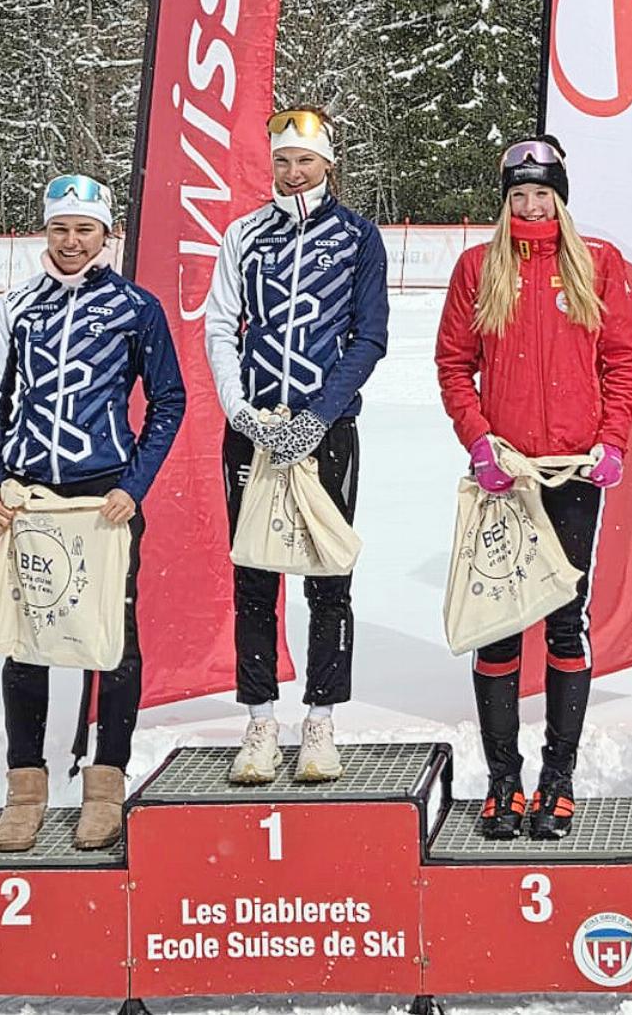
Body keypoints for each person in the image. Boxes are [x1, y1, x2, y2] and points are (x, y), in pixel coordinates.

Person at [435, 135, 632, 840]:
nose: (529, 205)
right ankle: (503, 783)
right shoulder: (477, 267)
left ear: (560, 196)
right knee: (497, 629)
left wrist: (611, 441)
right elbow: (453, 365)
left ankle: (559, 779)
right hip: (505, 476)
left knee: (563, 621)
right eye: (518, 194)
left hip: (574, 475)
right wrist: (480, 440)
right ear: (505, 200)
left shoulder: (598, 267)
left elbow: (623, 362)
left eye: (541, 193)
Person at [0, 174, 186, 852]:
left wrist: (137, 483)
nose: (71, 242)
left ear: (105, 236)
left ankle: (106, 781)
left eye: (84, 230)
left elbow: (170, 400)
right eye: (60, 229)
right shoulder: (16, 307)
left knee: (111, 641)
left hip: (104, 503)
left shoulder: (135, 307)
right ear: (47, 231)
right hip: (31, 501)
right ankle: (25, 785)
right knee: (25, 642)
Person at [205, 106, 388, 784]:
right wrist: (241, 410)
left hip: (327, 430)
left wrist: (317, 416)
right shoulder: (244, 234)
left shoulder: (359, 238)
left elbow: (370, 337)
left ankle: (320, 720)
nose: (291, 173)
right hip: (252, 428)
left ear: (328, 164)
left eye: (304, 160)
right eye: (281, 160)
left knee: (328, 579)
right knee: (253, 576)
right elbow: (221, 324)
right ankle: (259, 720)